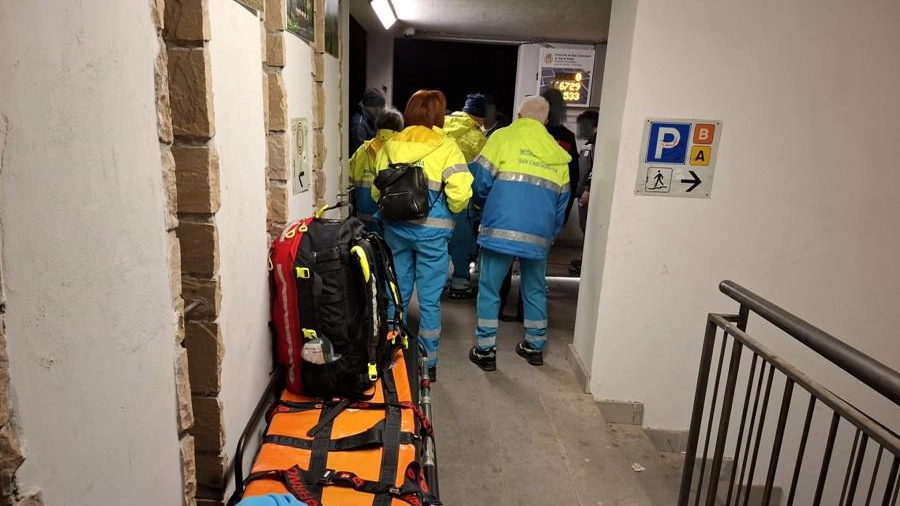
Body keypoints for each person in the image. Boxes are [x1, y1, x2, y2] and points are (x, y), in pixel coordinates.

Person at [371, 89, 473, 379]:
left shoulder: (390, 146)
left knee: (396, 293)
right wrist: (449, 210)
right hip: (433, 232)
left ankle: (391, 357)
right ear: (438, 115)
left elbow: (379, 189)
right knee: (429, 300)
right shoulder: (447, 146)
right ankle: (428, 364)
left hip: (397, 229)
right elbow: (461, 191)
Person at [467, 96, 570, 370]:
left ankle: (486, 351)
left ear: (520, 115)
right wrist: (549, 234)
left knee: (489, 288)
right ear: (546, 121)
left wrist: (480, 207)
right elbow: (562, 204)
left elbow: (480, 183)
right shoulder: (558, 152)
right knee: (534, 288)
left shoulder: (502, 138)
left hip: (500, 228)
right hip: (538, 235)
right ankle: (534, 347)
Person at [444, 93, 488, 299]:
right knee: (461, 238)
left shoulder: (442, 126)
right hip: (462, 195)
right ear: (480, 117)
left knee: (438, 239)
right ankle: (460, 280)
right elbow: (481, 174)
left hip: (435, 193)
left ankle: (439, 279)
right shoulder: (478, 137)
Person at [348, 107, 403, 233]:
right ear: (399, 128)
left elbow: (346, 181)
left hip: (363, 225)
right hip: (392, 225)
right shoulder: (402, 151)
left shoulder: (362, 151)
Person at [541, 88, 580, 225]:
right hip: (554, 200)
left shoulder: (531, 134)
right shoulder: (567, 136)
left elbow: (573, 175)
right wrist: (564, 214)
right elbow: (573, 177)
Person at [570, 109, 598, 275]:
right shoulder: (589, 143)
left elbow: (595, 169)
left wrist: (587, 189)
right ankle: (585, 259)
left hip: (587, 195)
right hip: (581, 194)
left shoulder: (597, 144)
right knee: (584, 227)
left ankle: (588, 263)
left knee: (588, 228)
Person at [350, 87, 386, 155]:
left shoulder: (371, 119)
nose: (382, 111)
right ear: (371, 107)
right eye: (380, 107)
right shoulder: (359, 125)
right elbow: (359, 155)